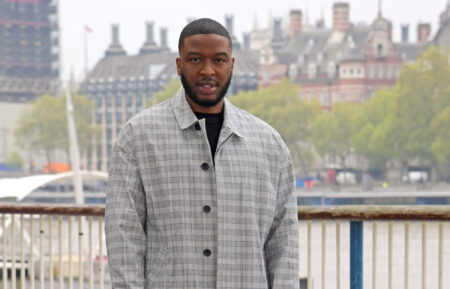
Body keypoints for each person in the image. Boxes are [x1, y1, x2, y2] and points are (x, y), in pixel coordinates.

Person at [105, 18, 299, 289]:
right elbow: (123, 236)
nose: (208, 71)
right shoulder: (138, 137)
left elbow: (284, 241)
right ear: (179, 65)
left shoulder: (269, 144)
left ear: (231, 65)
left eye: (218, 60)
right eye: (195, 60)